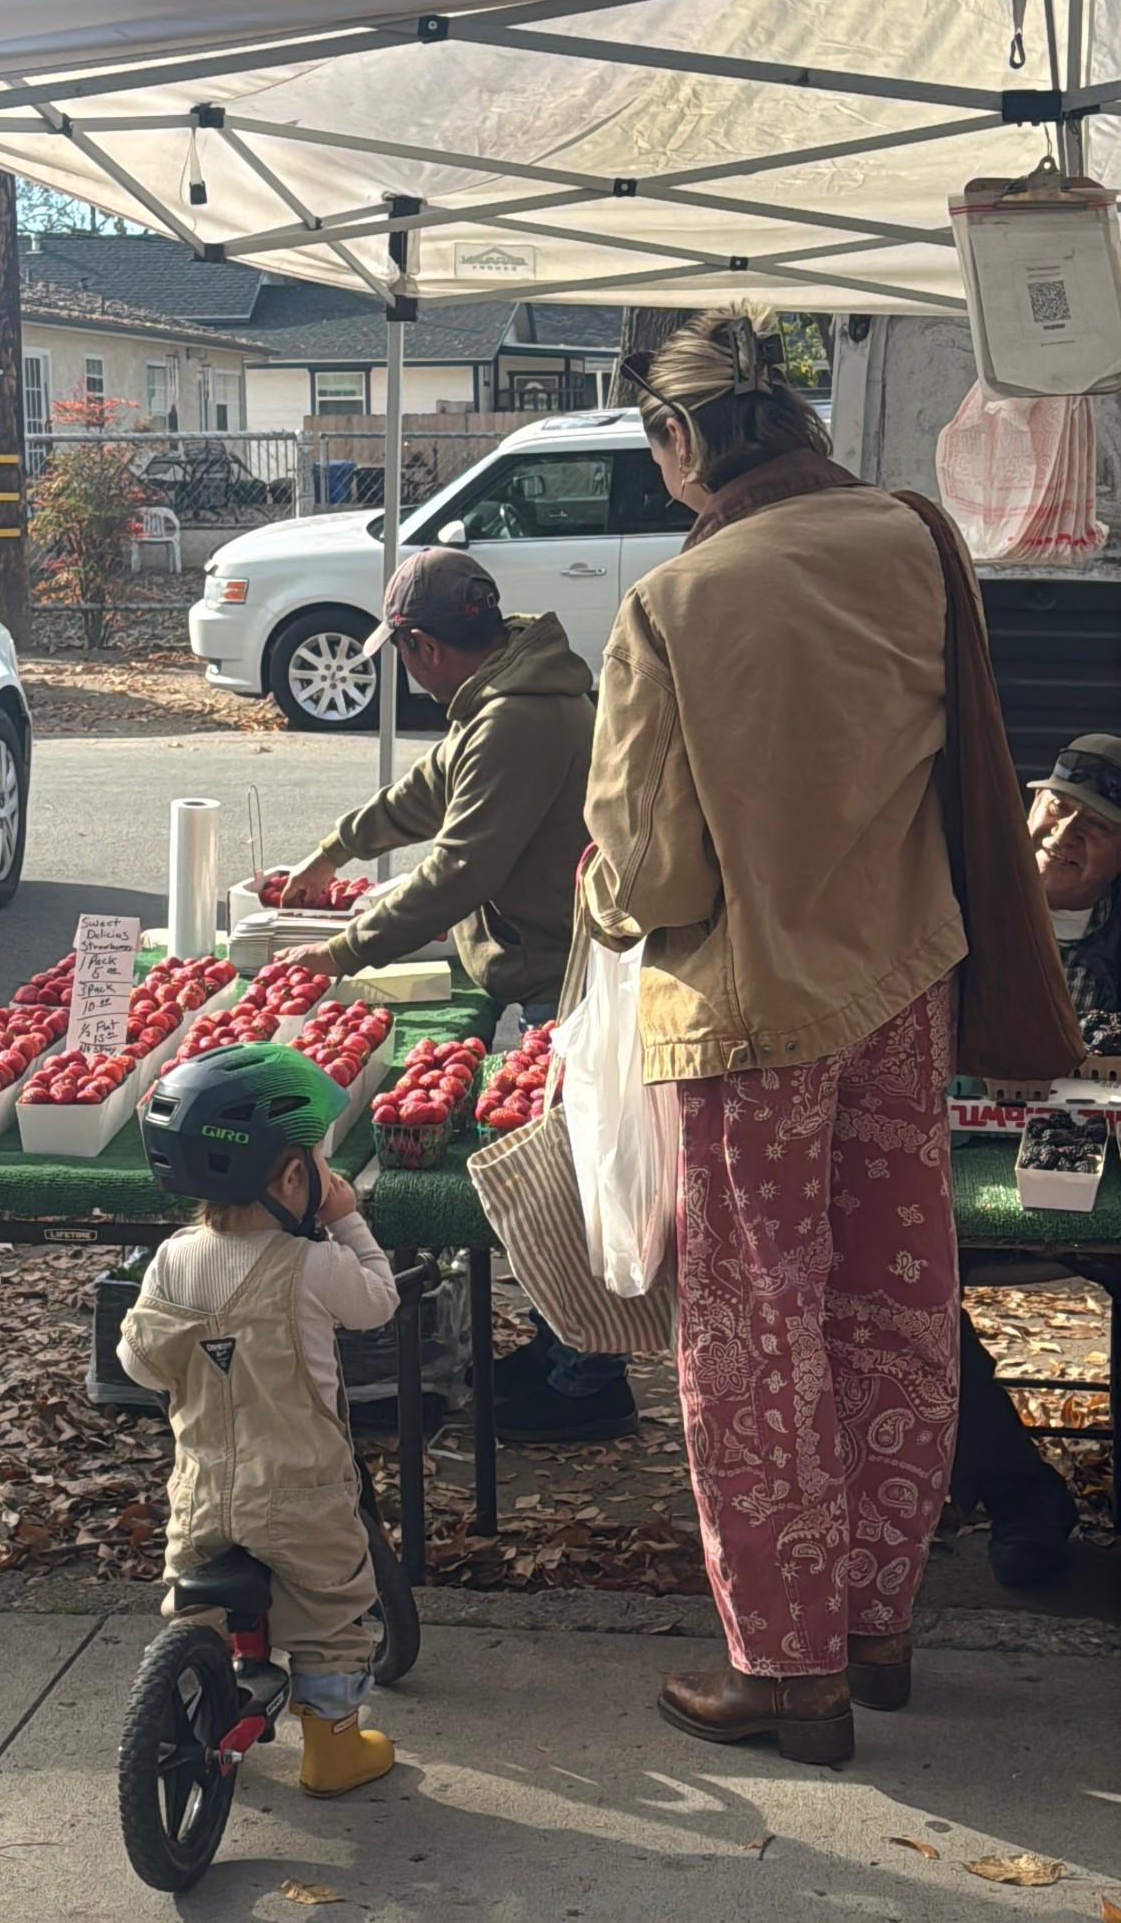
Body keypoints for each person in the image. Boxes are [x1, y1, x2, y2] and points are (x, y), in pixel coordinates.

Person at [581, 306, 987, 1766]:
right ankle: (879, 1626)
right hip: (901, 978)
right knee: (890, 1301)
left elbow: (656, 874)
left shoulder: (676, 604)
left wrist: (603, 886)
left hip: (750, 1011)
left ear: (681, 436)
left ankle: (787, 1668)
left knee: (756, 1330)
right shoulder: (912, 539)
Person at [279, 546, 638, 1445]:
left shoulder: (517, 718)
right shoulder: (506, 693)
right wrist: (335, 851)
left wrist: (345, 950)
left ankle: (586, 1379)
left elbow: (457, 866)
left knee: (576, 1179)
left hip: (569, 974)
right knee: (568, 1171)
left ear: (422, 647)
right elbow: (428, 791)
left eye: (398, 655)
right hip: (549, 964)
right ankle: (571, 1354)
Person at [117, 1044, 399, 1800]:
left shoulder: (172, 1260)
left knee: (196, 1605)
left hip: (204, 1488)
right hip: (301, 1491)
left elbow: (141, 1365)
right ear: (289, 1178)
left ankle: (196, 1698)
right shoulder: (312, 1263)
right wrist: (348, 1221)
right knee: (330, 1611)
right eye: (316, 1164)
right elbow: (379, 1303)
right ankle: (332, 1751)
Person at [953, 733, 1121, 1587]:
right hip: (960, 1174)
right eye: (1056, 804)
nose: (1064, 831)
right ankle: (1019, 1495)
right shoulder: (953, 904)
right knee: (891, 1286)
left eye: (1096, 824)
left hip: (1098, 1188)